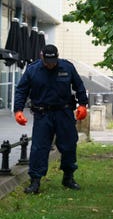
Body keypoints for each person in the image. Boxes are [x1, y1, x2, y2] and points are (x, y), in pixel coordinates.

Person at [13, 44, 88, 194]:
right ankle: (35, 181)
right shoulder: (33, 70)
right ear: (42, 57)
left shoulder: (67, 67)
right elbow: (21, 90)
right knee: (39, 147)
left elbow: (79, 86)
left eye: (54, 61)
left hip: (64, 112)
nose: (51, 64)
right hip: (43, 114)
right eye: (48, 62)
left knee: (69, 145)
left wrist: (83, 104)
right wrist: (18, 110)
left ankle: (68, 177)